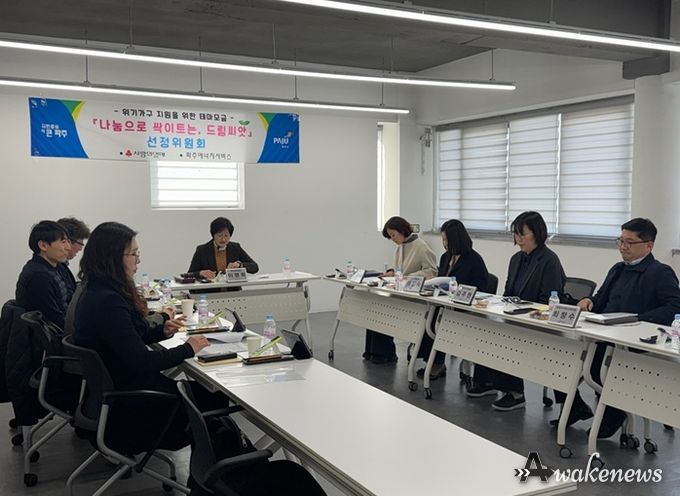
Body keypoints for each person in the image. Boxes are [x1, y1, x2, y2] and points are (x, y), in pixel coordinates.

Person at [73, 222, 327, 495]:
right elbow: (141, 361)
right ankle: (220, 478)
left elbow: (125, 341)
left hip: (117, 396)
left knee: (208, 399)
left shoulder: (97, 292)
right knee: (211, 399)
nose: (138, 260)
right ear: (112, 257)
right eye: (133, 254)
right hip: (134, 408)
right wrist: (188, 348)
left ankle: (214, 473)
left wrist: (159, 331)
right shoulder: (108, 301)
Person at [566, 218, 680, 438]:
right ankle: (579, 408)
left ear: (648, 246)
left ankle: (614, 413)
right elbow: (601, 297)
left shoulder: (660, 273)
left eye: (630, 242)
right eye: (621, 241)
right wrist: (589, 301)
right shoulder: (618, 269)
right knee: (572, 355)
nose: (623, 247)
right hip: (607, 333)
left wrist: (637, 320)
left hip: (634, 342)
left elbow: (675, 307)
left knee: (597, 362)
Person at [467, 211, 566, 411]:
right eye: (516, 234)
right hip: (516, 316)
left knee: (505, 335)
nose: (519, 239)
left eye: (523, 234)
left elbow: (548, 301)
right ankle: (486, 381)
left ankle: (515, 392)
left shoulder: (549, 260)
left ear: (537, 234)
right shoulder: (516, 259)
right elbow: (508, 292)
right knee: (486, 328)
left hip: (537, 321)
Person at [416, 219, 490, 379]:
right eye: (443, 239)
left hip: (464, 309)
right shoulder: (445, 257)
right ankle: (431, 360)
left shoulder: (474, 259)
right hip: (446, 304)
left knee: (436, 319)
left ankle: (436, 363)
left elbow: (481, 289)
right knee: (429, 317)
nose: (444, 244)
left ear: (457, 239)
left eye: (447, 240)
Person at [364, 216, 437, 364]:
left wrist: (408, 277)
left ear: (402, 231)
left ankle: (385, 353)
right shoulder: (400, 247)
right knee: (375, 309)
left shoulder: (421, 247)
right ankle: (373, 352)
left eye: (393, 235)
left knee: (383, 312)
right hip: (400, 292)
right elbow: (399, 269)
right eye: (390, 237)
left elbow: (431, 271)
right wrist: (391, 272)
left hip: (413, 297)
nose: (392, 239)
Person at [15, 221, 72, 329]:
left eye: (68, 242)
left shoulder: (57, 267)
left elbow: (70, 298)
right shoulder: (39, 277)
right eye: (63, 242)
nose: (68, 247)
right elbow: (54, 321)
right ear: (43, 245)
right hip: (51, 336)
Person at [188, 217, 258, 280]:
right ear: (213, 235)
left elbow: (255, 267)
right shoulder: (202, 250)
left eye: (226, 235)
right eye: (220, 235)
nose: (223, 239)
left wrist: (239, 265)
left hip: (232, 289)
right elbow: (189, 274)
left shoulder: (235, 248)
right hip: (210, 289)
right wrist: (201, 273)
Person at [57, 217, 90, 297]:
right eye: (80, 243)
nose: (81, 248)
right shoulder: (54, 268)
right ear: (68, 241)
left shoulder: (61, 266)